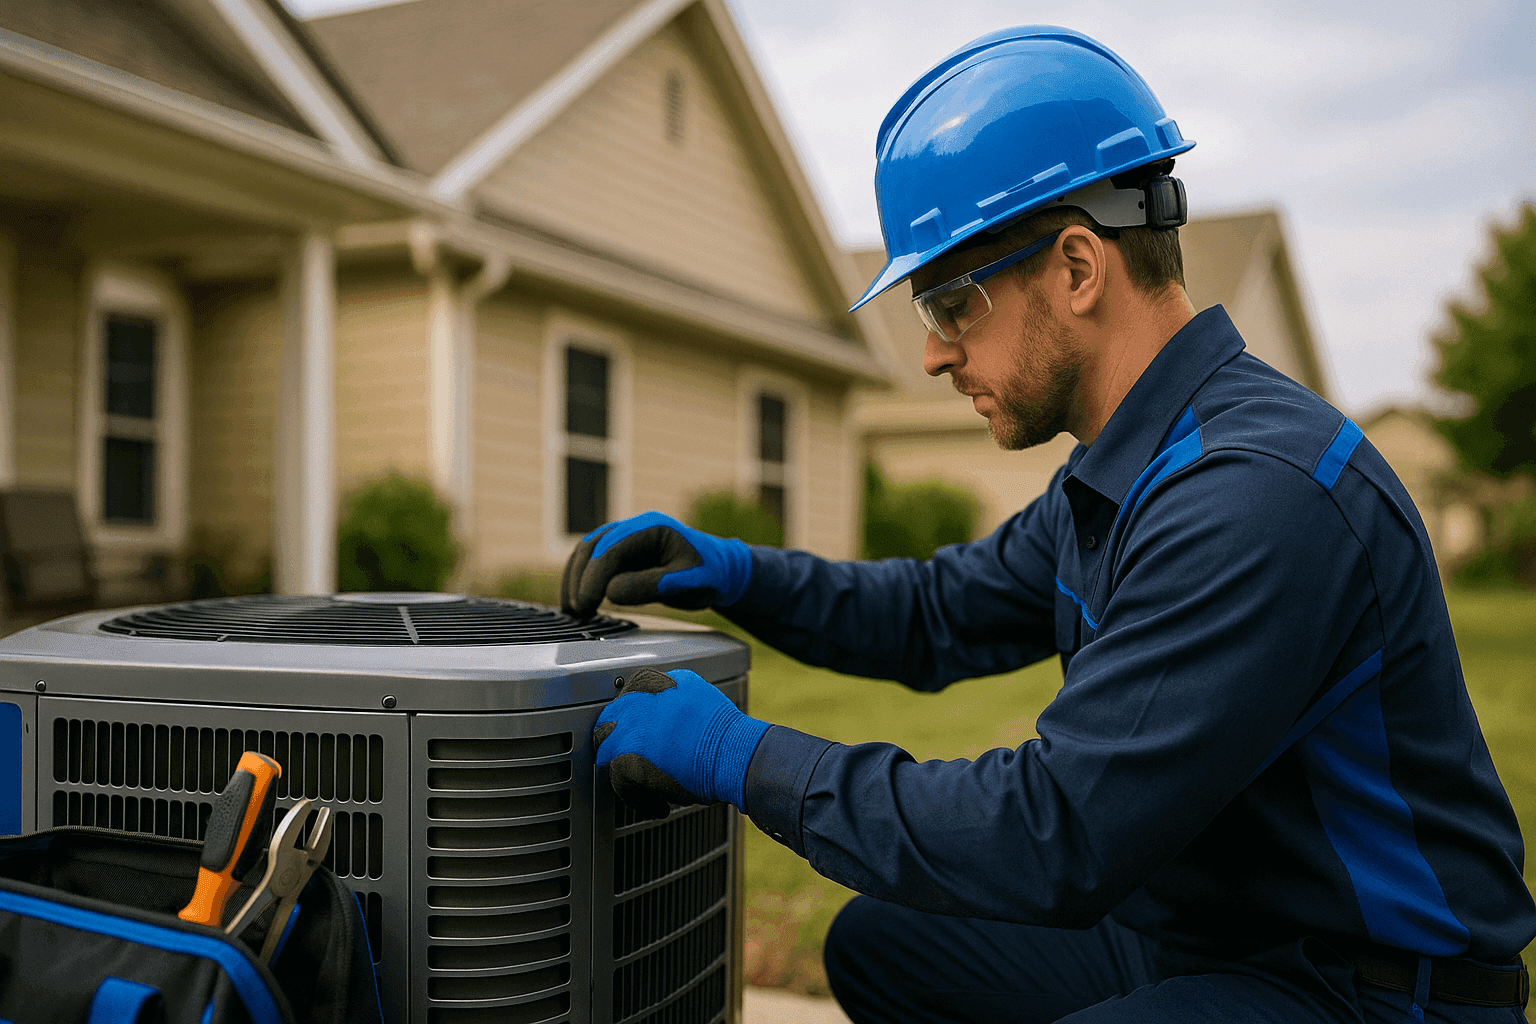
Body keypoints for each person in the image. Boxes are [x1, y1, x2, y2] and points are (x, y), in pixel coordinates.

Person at [568, 25, 1536, 1024]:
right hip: (1213, 938)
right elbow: (937, 613)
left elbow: (1051, 834)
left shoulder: (1255, 497)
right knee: (882, 945)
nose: (935, 354)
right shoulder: (1125, 471)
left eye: (952, 303)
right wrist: (737, 573)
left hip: (1371, 987)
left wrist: (741, 756)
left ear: (1077, 268)